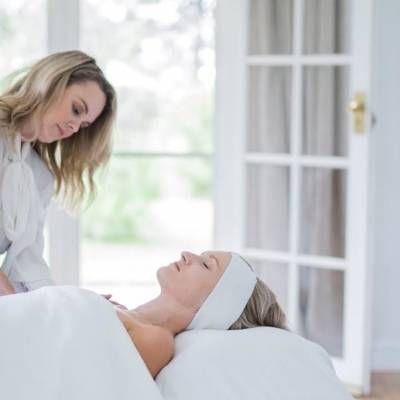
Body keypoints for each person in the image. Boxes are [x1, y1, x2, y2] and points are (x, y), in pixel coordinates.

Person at [0, 50, 116, 293]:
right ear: (51, 81)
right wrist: (19, 307)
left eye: (83, 125)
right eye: (76, 109)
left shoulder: (39, 176)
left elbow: (27, 263)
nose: (75, 127)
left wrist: (66, 303)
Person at [114, 250, 288, 378]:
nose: (186, 254)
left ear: (213, 304)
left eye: (205, 264)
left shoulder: (155, 340)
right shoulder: (123, 314)